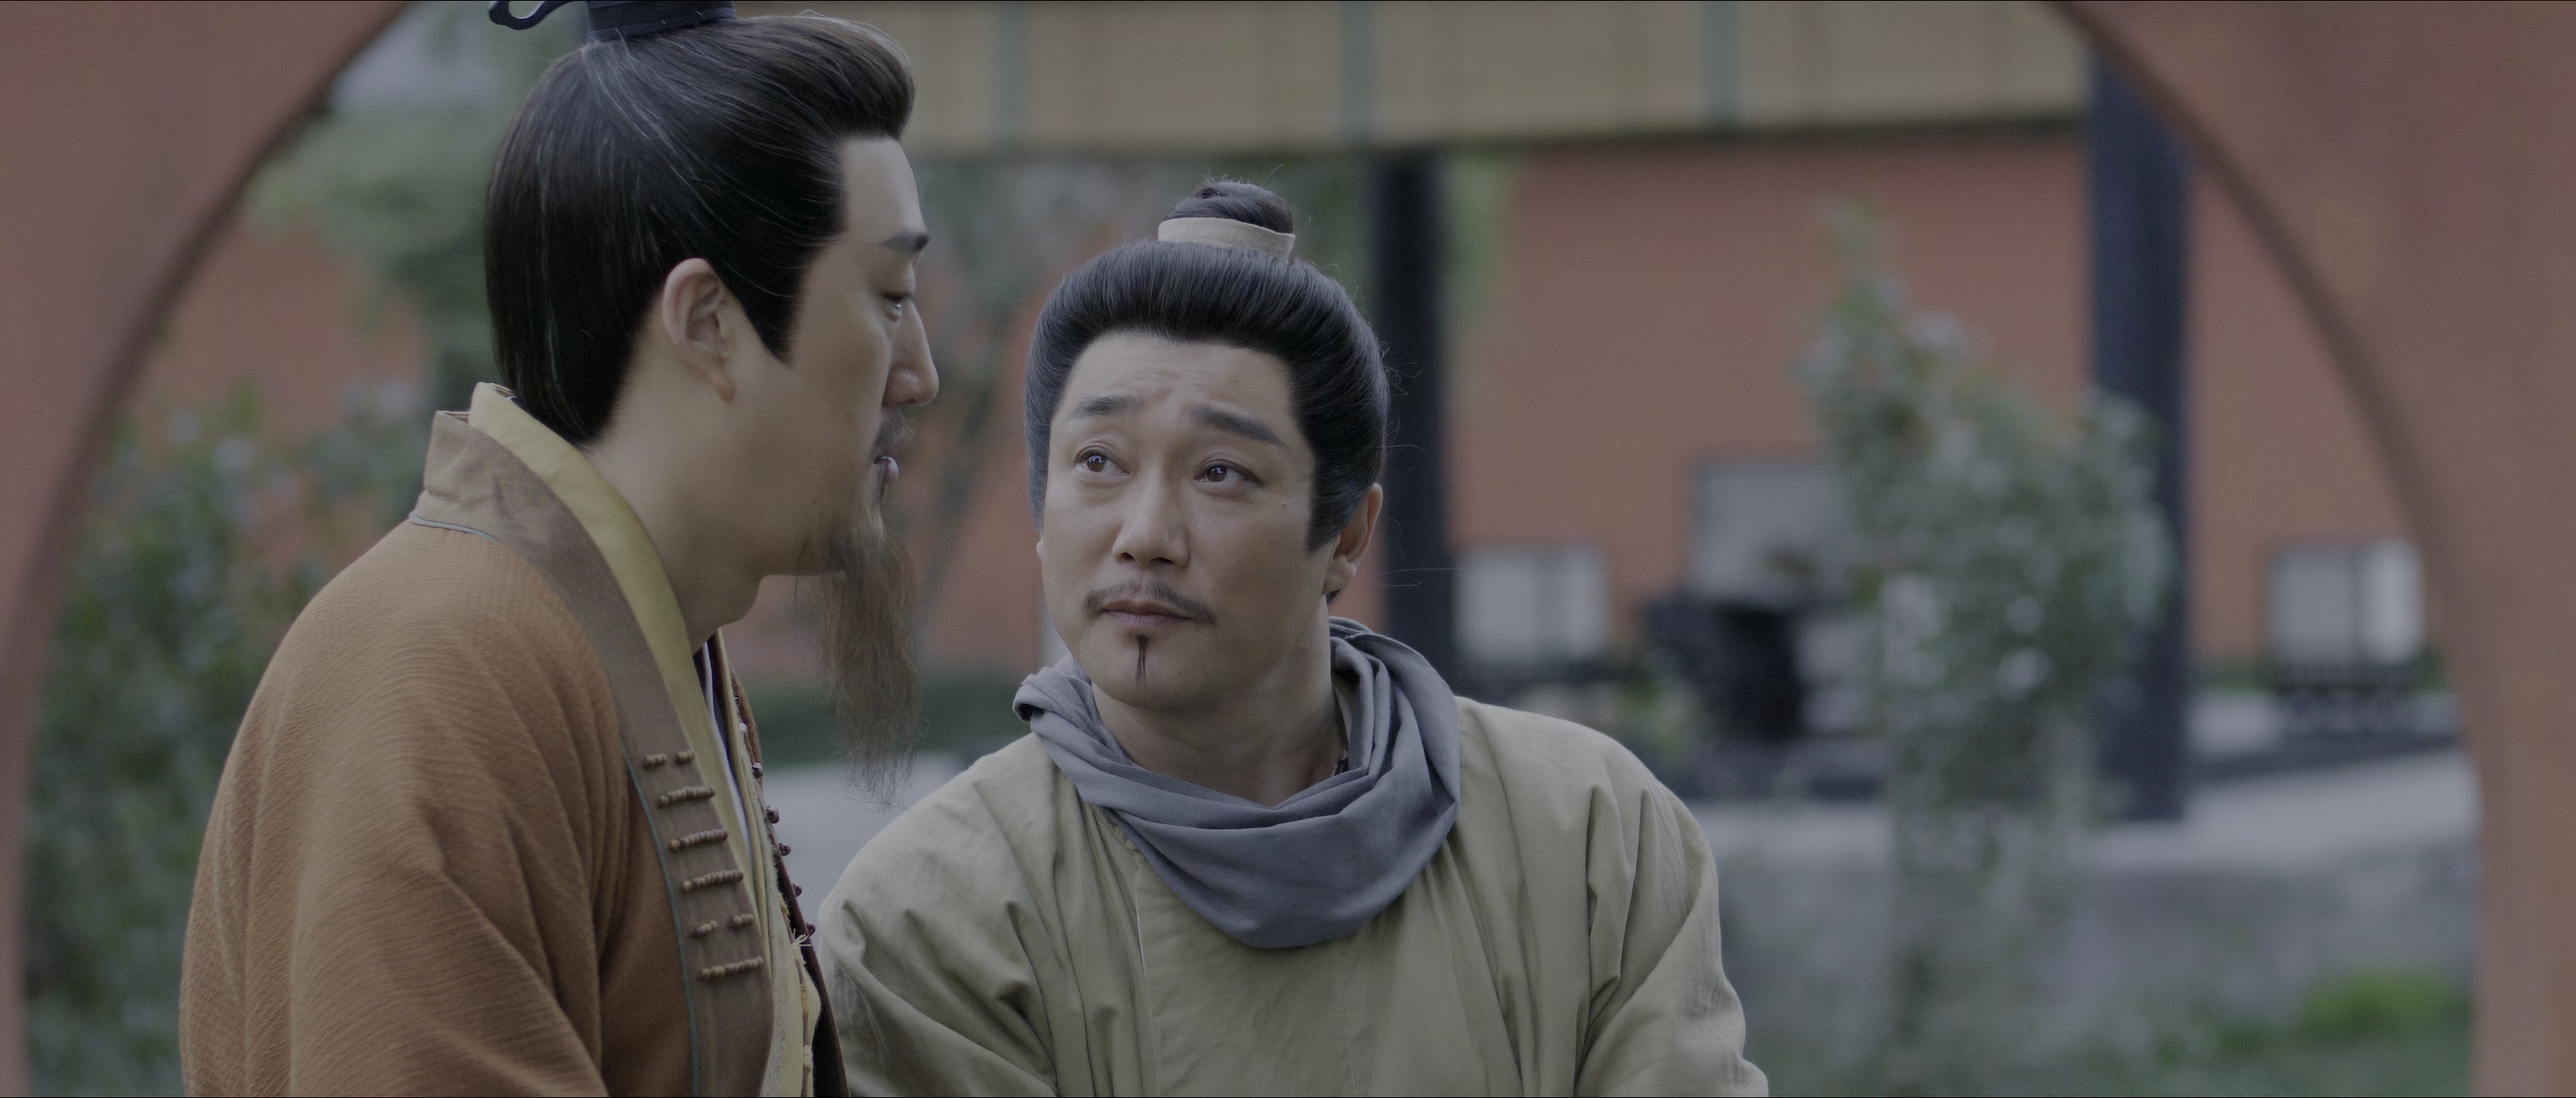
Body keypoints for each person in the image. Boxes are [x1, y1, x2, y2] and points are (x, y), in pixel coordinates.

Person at [817, 181, 1765, 1096]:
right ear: (1041, 511)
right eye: (1098, 461)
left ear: (1345, 535)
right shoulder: (934, 913)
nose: (1145, 534)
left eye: (1221, 473)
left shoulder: (1587, 834)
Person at [180, 3, 933, 1093]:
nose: (920, 374)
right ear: (708, 323)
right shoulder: (443, 663)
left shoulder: (635, 629)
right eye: (890, 299)